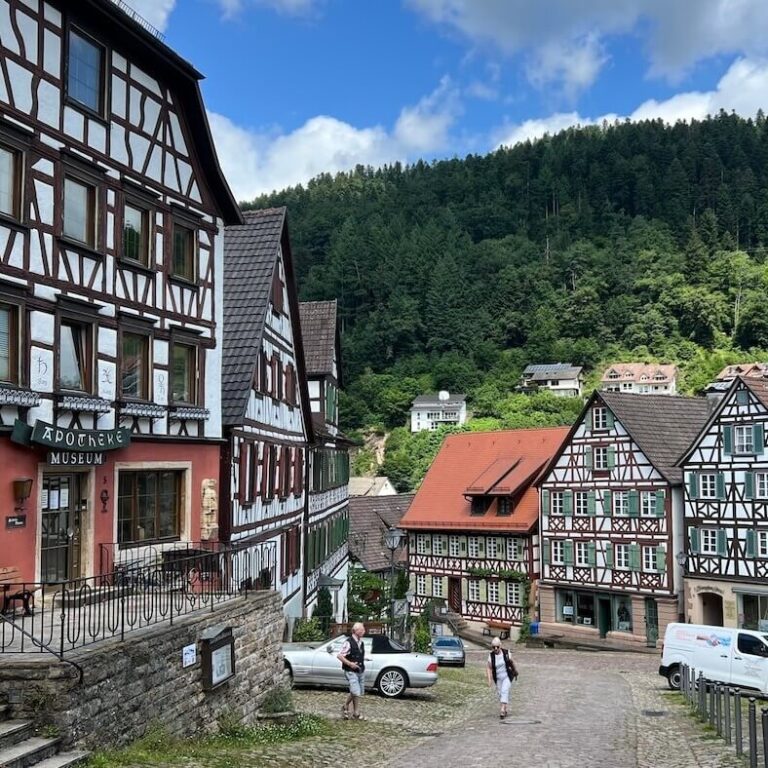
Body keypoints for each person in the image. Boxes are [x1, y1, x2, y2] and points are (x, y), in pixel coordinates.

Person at [337, 621, 366, 720]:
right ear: (355, 631)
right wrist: (350, 664)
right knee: (356, 691)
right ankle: (356, 713)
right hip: (350, 670)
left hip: (360, 670)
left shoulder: (361, 643)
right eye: (362, 629)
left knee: (356, 691)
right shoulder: (348, 642)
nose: (364, 631)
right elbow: (340, 655)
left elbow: (358, 654)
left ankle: (345, 705)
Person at [486, 636, 517, 719]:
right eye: (493, 647)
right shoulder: (491, 656)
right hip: (498, 677)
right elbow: (489, 668)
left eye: (497, 646)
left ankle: (502, 710)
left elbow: (512, 662)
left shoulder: (506, 653)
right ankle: (505, 708)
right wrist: (489, 679)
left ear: (500, 645)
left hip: (507, 675)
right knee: (500, 693)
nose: (495, 648)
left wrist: (515, 671)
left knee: (504, 690)